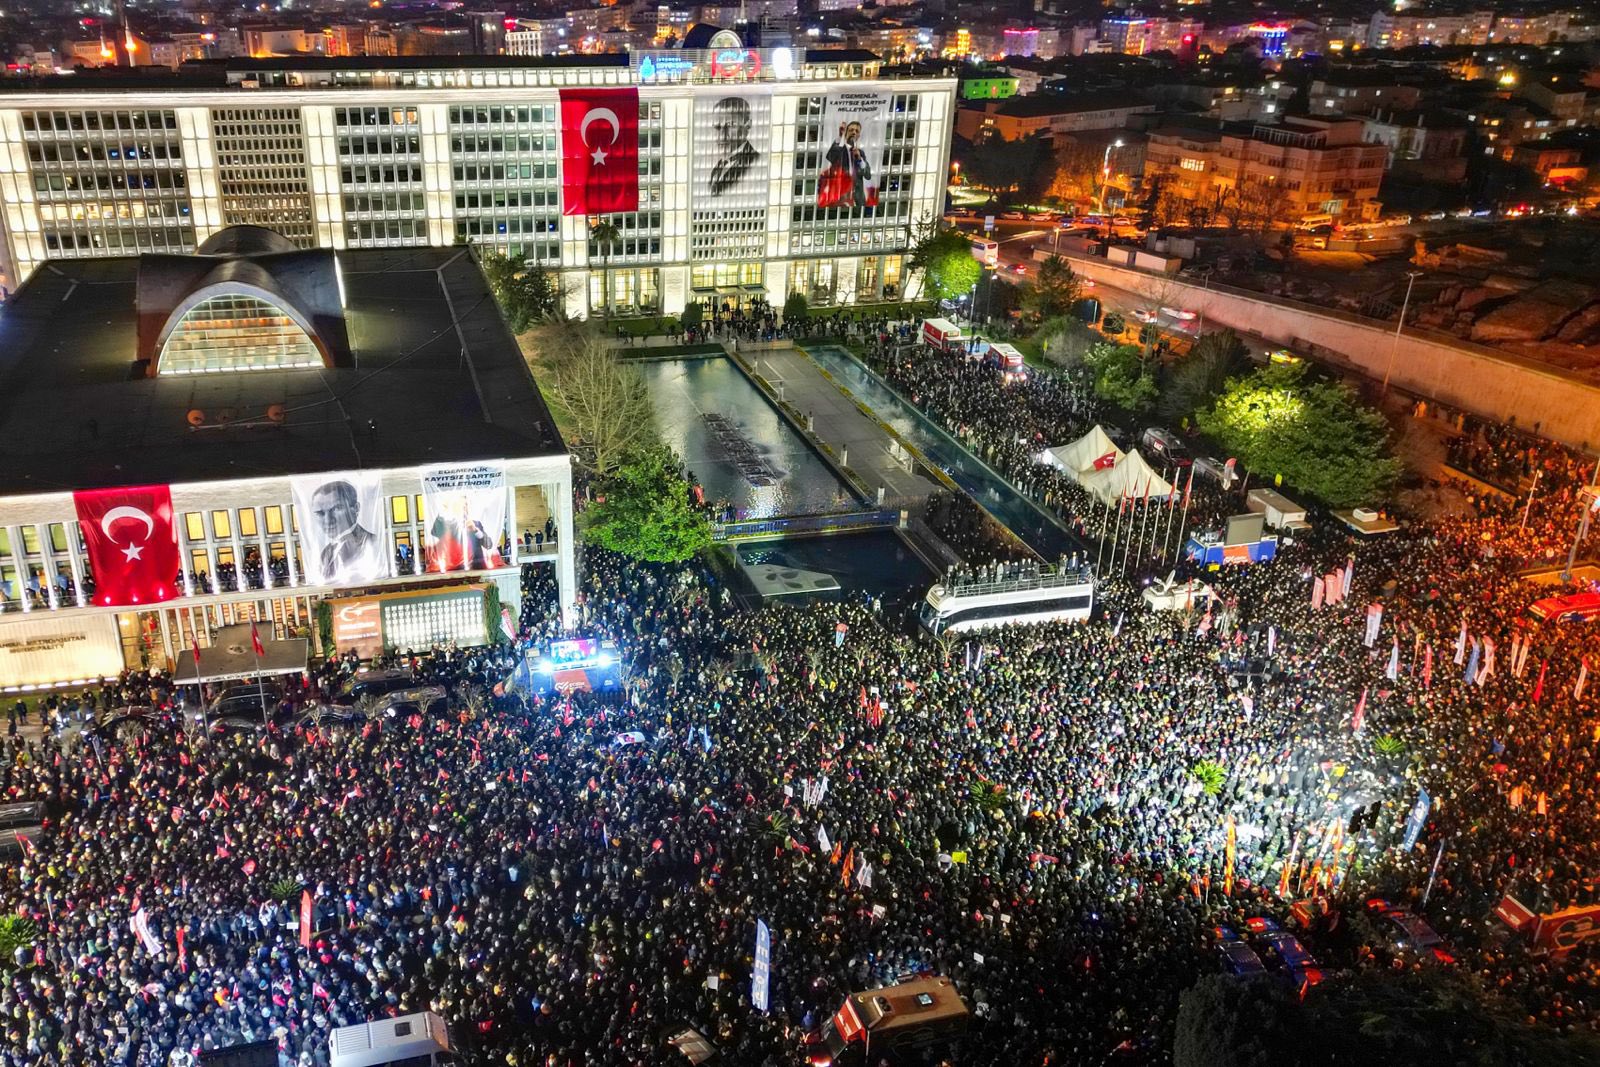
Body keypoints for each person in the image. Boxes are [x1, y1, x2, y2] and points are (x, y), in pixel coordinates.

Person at [308, 479, 382, 584]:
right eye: (320, 513)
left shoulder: (372, 543)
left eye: (336, 509)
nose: (328, 520)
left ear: (356, 509)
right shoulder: (326, 552)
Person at [708, 96, 758, 197]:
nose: (722, 135)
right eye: (717, 127)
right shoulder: (717, 169)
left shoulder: (755, 162)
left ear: (748, 126)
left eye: (730, 125)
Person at [822, 119, 875, 209]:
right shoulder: (839, 148)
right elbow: (831, 157)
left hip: (857, 199)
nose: (854, 132)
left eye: (856, 131)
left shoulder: (860, 153)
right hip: (841, 196)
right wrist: (840, 137)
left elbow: (868, 175)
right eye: (851, 130)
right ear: (846, 132)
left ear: (858, 135)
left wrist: (859, 159)